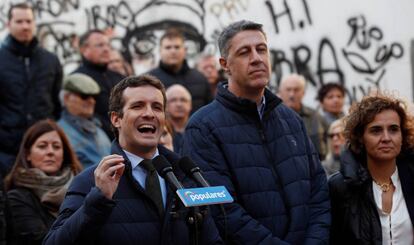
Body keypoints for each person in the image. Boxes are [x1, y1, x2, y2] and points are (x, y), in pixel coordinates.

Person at [181, 20, 330, 244]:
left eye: (261, 49)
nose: (257, 58)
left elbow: (319, 192)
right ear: (225, 64)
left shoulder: (291, 120)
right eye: (244, 52)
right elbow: (220, 211)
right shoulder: (201, 128)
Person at [43, 75, 222, 244]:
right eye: (138, 106)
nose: (149, 114)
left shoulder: (186, 176)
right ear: (116, 119)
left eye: (157, 107)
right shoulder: (90, 181)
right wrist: (98, 201)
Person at [329, 94, 414, 244]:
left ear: (403, 135)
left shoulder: (411, 179)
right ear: (360, 137)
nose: (386, 138)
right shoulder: (340, 187)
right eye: (376, 130)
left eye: (394, 129)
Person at [0, 3, 63, 176]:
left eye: (29, 21)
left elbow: (55, 103)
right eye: (19, 21)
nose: (25, 26)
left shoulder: (50, 60)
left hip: (42, 146)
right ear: (9, 24)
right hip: (6, 150)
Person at [4, 119, 82, 245]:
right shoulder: (16, 198)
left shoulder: (81, 188)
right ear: (28, 154)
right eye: (42, 146)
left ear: (64, 154)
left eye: (56, 147)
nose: (50, 152)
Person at [73, 29, 125, 139]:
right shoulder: (77, 80)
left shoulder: (119, 77)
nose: (106, 49)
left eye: (108, 45)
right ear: (84, 50)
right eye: (100, 45)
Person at [148, 28, 212, 113]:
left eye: (177, 47)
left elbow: (209, 111)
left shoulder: (200, 78)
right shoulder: (149, 80)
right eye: (168, 47)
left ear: (185, 50)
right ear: (160, 51)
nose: (173, 51)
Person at [58, 73, 111, 168]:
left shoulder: (99, 130)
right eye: (84, 96)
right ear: (66, 98)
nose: (92, 101)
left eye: (94, 97)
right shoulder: (58, 133)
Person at [278, 73, 327, 159]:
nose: (292, 94)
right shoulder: (271, 117)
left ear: (303, 93)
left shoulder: (315, 117)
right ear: (280, 92)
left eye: (296, 90)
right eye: (288, 90)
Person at [166, 84, 192, 153]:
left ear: (190, 105)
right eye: (173, 100)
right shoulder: (162, 133)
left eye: (183, 100)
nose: (179, 104)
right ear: (166, 106)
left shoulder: (198, 130)